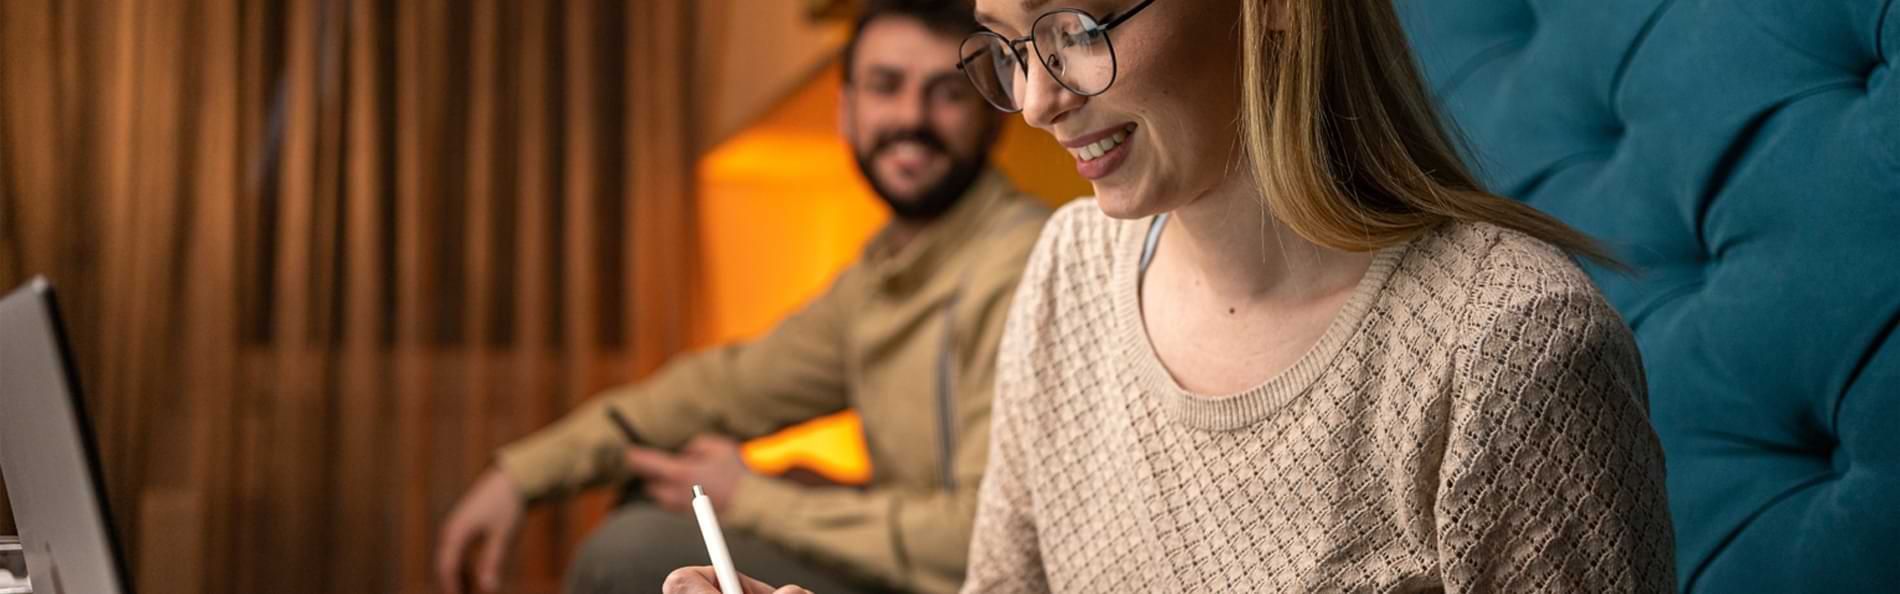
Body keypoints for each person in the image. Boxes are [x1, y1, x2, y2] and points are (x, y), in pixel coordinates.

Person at [668, 0, 1677, 592]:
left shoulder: (1511, 344)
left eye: (1074, 28)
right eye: (1009, 46)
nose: (1037, 101)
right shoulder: (1069, 269)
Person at [433, 1, 1050, 593]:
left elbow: (988, 543)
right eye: (885, 86)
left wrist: (754, 499)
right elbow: (720, 391)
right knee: (649, 503)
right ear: (847, 110)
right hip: (911, 562)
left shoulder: (1021, 262)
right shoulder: (879, 278)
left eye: (947, 93)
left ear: (993, 113)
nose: (911, 116)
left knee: (630, 552)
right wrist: (521, 476)